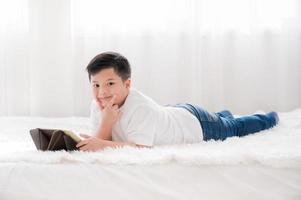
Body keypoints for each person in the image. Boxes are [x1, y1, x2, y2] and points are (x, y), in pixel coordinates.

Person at [76, 52, 279, 151]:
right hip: (172, 113)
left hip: (196, 124)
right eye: (95, 85)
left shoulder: (139, 108)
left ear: (127, 84)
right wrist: (105, 123)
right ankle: (221, 115)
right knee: (220, 119)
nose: (102, 92)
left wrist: (101, 142)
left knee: (233, 128)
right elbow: (101, 142)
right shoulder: (98, 105)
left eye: (110, 83)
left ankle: (269, 118)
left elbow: (141, 149)